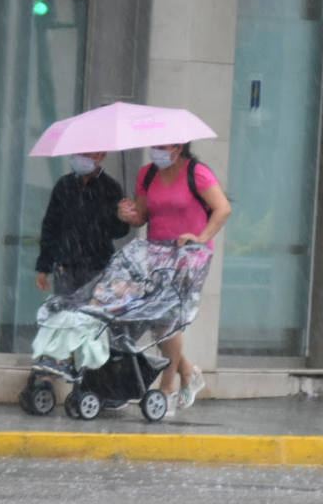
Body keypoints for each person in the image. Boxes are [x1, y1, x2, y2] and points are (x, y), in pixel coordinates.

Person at [117, 142, 231, 410]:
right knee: (158, 319)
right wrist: (128, 214)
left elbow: (223, 209)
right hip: (158, 257)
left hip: (190, 257)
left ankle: (166, 386)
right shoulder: (147, 174)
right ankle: (188, 371)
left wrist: (199, 238)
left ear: (178, 148)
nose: (156, 151)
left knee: (168, 318)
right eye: (154, 146)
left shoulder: (197, 172)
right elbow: (142, 217)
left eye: (163, 146)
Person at [29, 151, 128, 380]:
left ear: (100, 156)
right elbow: (50, 227)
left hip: (98, 267)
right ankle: (52, 369)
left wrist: (121, 216)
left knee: (89, 322)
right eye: (78, 154)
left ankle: (88, 374)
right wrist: (44, 266)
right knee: (61, 318)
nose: (80, 158)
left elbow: (118, 232)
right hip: (66, 266)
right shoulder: (64, 186)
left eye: (87, 154)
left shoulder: (110, 188)